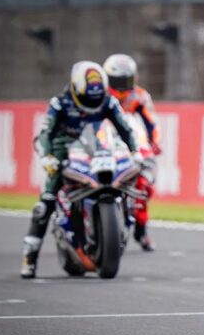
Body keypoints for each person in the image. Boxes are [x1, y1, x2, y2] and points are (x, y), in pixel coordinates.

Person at [21, 61, 140, 279]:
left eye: (97, 97)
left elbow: (124, 128)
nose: (92, 102)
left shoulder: (108, 101)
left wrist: (134, 151)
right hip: (65, 150)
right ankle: (30, 256)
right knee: (45, 202)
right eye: (87, 98)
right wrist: (48, 157)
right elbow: (45, 134)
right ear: (76, 90)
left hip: (98, 149)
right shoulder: (60, 104)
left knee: (128, 178)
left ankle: (127, 220)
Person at [104, 54, 162, 251]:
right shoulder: (99, 95)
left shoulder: (139, 96)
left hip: (132, 144)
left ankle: (141, 228)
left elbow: (151, 122)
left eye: (126, 81)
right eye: (117, 81)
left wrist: (153, 143)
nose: (122, 87)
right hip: (105, 143)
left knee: (145, 184)